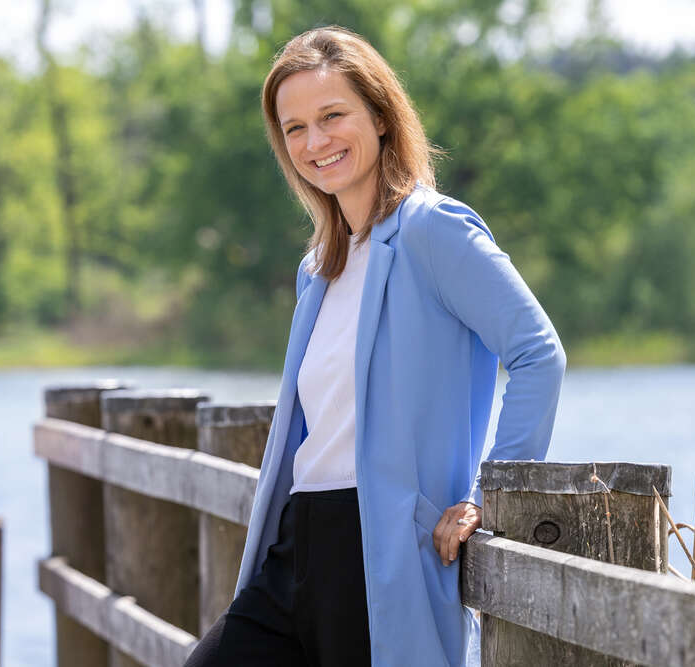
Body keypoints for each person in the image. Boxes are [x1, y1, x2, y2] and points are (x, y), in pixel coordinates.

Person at [185, 25, 566, 667]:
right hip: (295, 547)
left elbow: (537, 352)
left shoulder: (431, 231)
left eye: (333, 116)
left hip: (380, 554)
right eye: (295, 127)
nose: (316, 142)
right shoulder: (319, 268)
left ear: (382, 117)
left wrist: (489, 494)